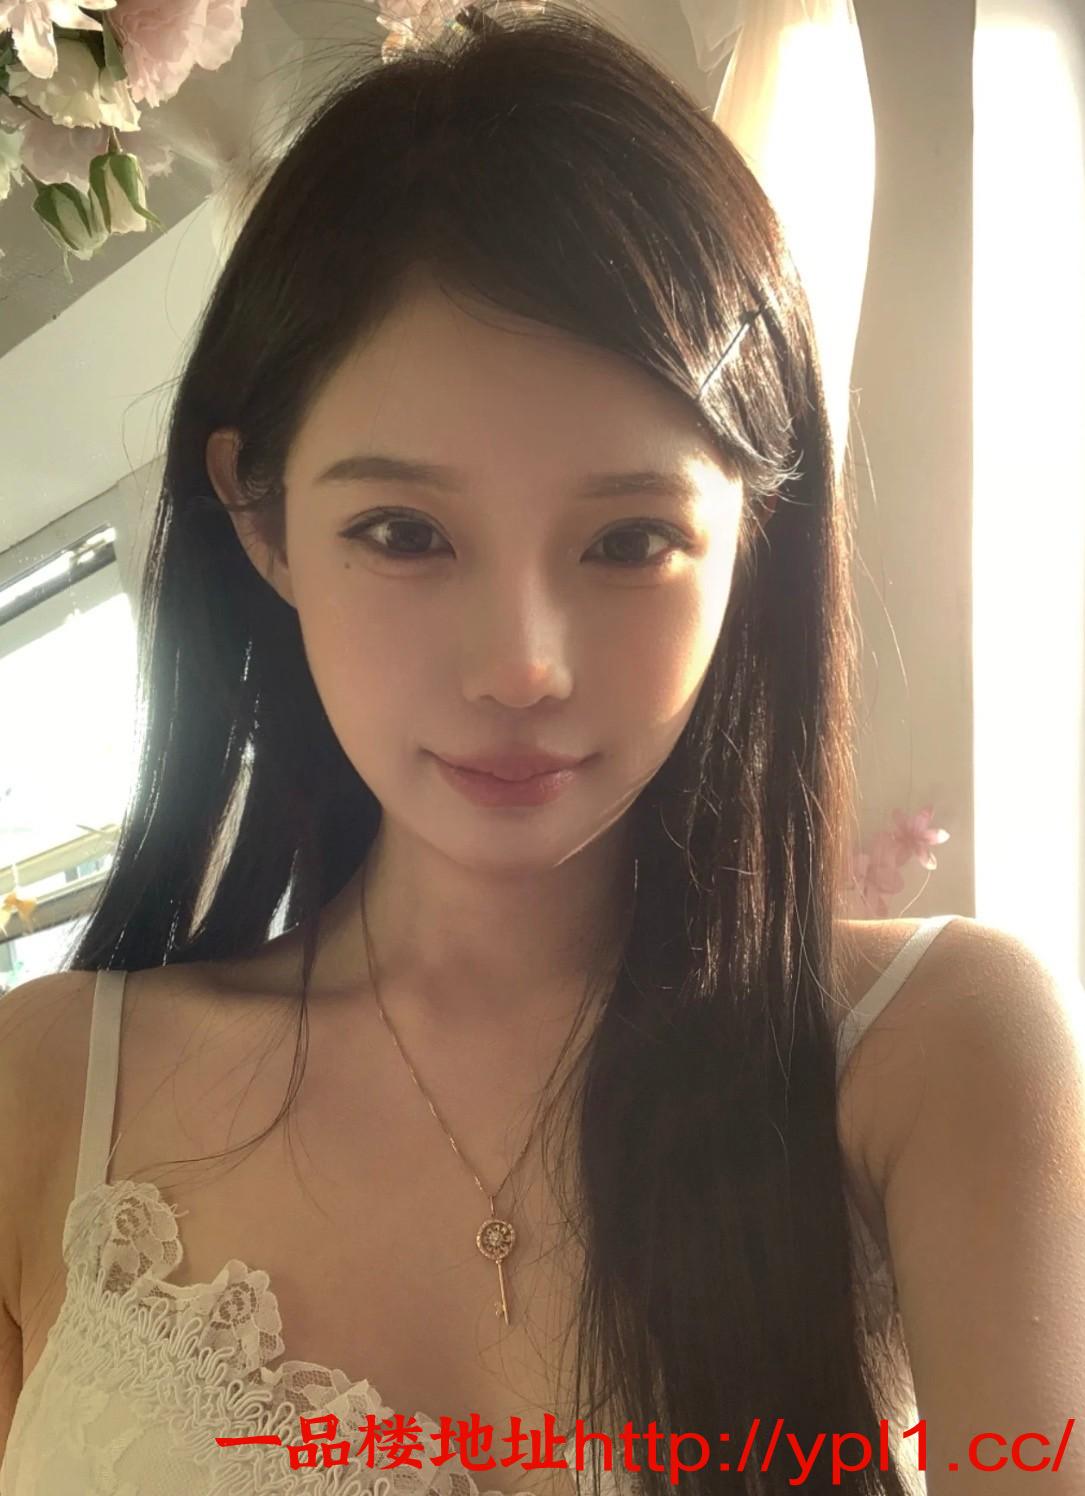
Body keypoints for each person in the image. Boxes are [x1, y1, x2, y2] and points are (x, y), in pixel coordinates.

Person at [0, 4, 1082, 1494]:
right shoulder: (48, 1090)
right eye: (404, 531)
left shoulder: (928, 1052)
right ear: (262, 520)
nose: (522, 666)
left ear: (751, 536)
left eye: (630, 539)